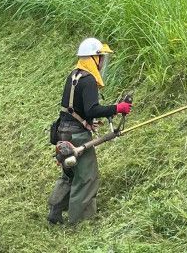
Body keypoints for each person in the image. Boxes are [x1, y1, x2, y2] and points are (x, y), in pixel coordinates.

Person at [47, 38, 132, 225]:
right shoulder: (89, 81)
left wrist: (87, 123)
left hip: (63, 132)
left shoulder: (74, 76)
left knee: (69, 174)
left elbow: (72, 108)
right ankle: (80, 223)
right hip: (76, 137)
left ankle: (55, 211)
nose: (103, 62)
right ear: (94, 58)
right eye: (101, 58)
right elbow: (92, 109)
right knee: (86, 178)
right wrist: (118, 108)